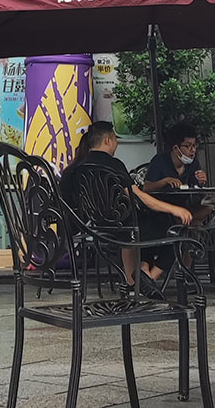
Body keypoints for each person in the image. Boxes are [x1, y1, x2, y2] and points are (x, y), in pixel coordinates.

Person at [60, 121, 192, 294]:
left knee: (150, 229)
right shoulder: (113, 164)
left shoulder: (78, 168)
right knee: (177, 231)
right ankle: (148, 278)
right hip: (126, 226)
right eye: (115, 139)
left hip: (97, 226)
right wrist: (174, 209)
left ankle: (141, 275)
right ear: (107, 140)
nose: (116, 144)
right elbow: (138, 195)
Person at [142, 122, 208, 192]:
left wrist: (201, 182)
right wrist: (164, 181)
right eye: (188, 146)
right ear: (176, 148)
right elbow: (146, 187)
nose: (193, 150)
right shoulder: (159, 161)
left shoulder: (194, 163)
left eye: (194, 145)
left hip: (186, 199)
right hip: (162, 199)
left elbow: (196, 187)